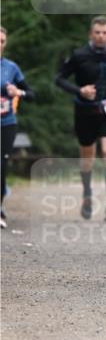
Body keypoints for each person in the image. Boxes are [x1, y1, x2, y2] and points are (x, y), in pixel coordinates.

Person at [55, 16, 106, 221]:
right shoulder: (79, 55)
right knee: (87, 156)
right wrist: (80, 90)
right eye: (97, 32)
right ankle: (87, 195)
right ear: (91, 34)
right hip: (85, 111)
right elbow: (59, 79)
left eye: (105, 33)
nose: (101, 36)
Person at [1, 25, 34, 228]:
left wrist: (18, 92)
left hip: (6, 124)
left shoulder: (11, 68)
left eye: (2, 41)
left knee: (1, 165)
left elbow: (31, 94)